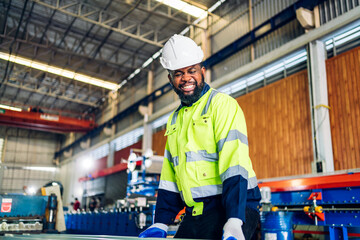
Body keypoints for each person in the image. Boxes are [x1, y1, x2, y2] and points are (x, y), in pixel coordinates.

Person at [139, 34, 261, 240]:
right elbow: (170, 176)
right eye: (178, 73)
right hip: (196, 211)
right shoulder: (175, 120)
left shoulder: (222, 105)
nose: (186, 78)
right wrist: (161, 220)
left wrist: (234, 219)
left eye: (192, 71)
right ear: (170, 79)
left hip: (234, 207)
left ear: (202, 72)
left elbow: (234, 162)